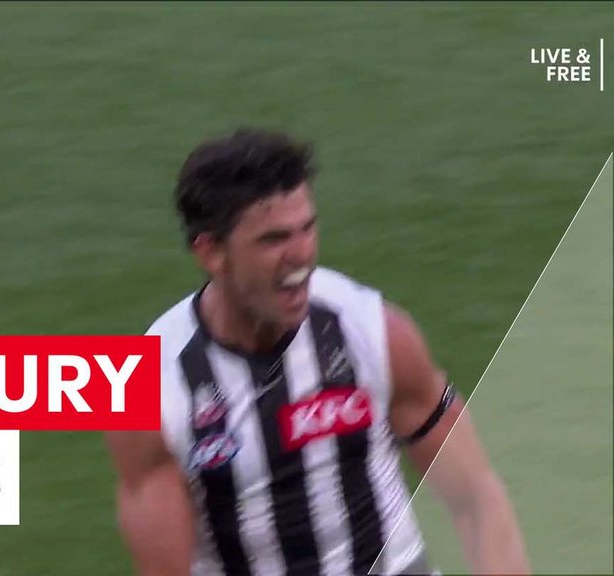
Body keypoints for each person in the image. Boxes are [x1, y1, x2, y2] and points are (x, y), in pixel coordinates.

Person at [105, 128, 530, 576]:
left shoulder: (374, 331)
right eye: (274, 239)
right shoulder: (151, 387)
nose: (301, 255)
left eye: (307, 228)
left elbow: (477, 500)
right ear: (211, 252)